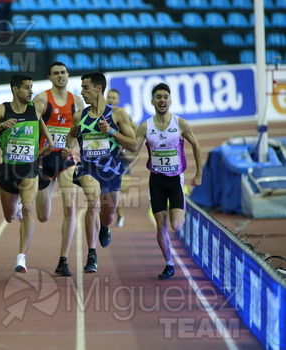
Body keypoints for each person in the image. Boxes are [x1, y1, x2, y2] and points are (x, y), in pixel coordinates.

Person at [62, 72, 136, 273]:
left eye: (85, 87)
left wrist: (111, 132)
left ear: (98, 88)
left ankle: (104, 227)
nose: (82, 92)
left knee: (109, 212)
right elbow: (71, 135)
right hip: (87, 167)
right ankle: (92, 254)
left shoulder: (118, 114)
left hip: (111, 168)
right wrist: (68, 148)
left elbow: (133, 145)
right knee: (93, 202)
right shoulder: (80, 116)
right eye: (81, 87)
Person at [0, 74, 54, 274]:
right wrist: (1, 126)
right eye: (27, 88)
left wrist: (49, 141)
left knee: (30, 208)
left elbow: (40, 122)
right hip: (8, 169)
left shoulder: (35, 108)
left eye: (32, 87)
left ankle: (21, 258)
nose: (31, 91)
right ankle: (18, 209)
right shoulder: (2, 109)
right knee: (9, 216)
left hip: (29, 168)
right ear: (15, 90)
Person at [131, 82, 202, 280]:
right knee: (160, 225)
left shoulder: (180, 124)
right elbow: (133, 153)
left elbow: (196, 146)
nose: (162, 100)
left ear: (170, 100)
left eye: (165, 97)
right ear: (152, 101)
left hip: (175, 181)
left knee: (176, 226)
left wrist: (198, 175)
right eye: (158, 97)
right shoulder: (145, 127)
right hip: (156, 182)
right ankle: (169, 263)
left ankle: (183, 215)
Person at [32, 62, 85, 276]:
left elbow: (81, 130)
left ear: (68, 75)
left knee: (70, 207)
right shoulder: (42, 100)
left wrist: (77, 151)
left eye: (63, 73)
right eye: (56, 74)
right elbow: (31, 125)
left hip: (66, 159)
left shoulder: (78, 101)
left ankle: (63, 260)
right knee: (43, 216)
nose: (60, 76)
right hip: (45, 159)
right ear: (50, 77)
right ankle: (25, 196)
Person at [105, 88, 138, 228]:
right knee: (110, 191)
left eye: (114, 98)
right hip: (107, 158)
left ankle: (117, 213)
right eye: (109, 97)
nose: (111, 100)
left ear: (118, 100)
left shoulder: (123, 115)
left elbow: (136, 131)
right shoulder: (102, 114)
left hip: (123, 159)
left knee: (120, 189)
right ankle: (117, 214)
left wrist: (127, 145)